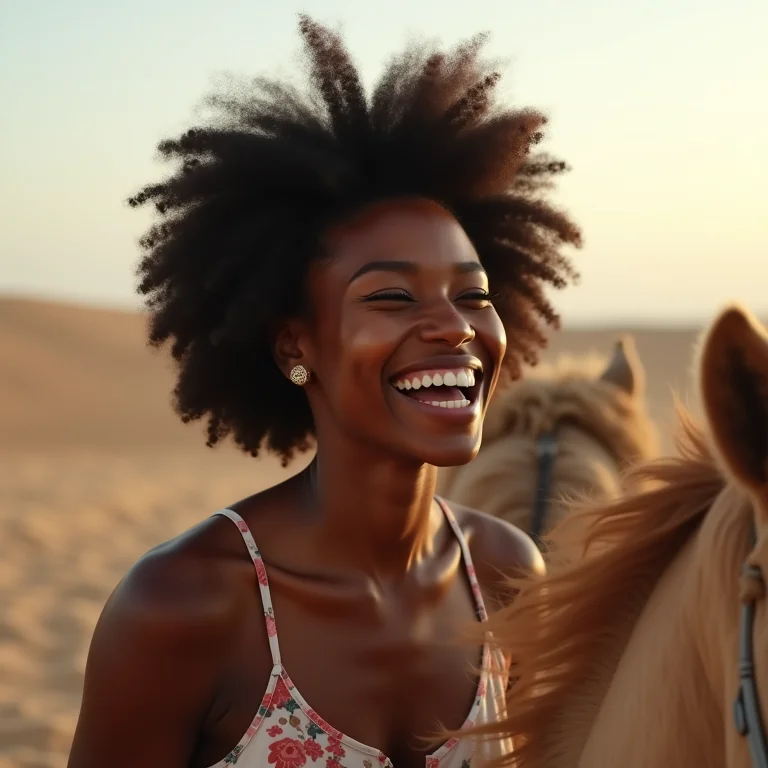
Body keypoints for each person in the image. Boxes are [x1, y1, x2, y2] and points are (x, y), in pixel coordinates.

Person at [67, 15, 581, 768]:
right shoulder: (184, 605)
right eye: (392, 300)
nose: (454, 328)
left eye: (472, 297)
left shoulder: (506, 573)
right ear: (293, 346)